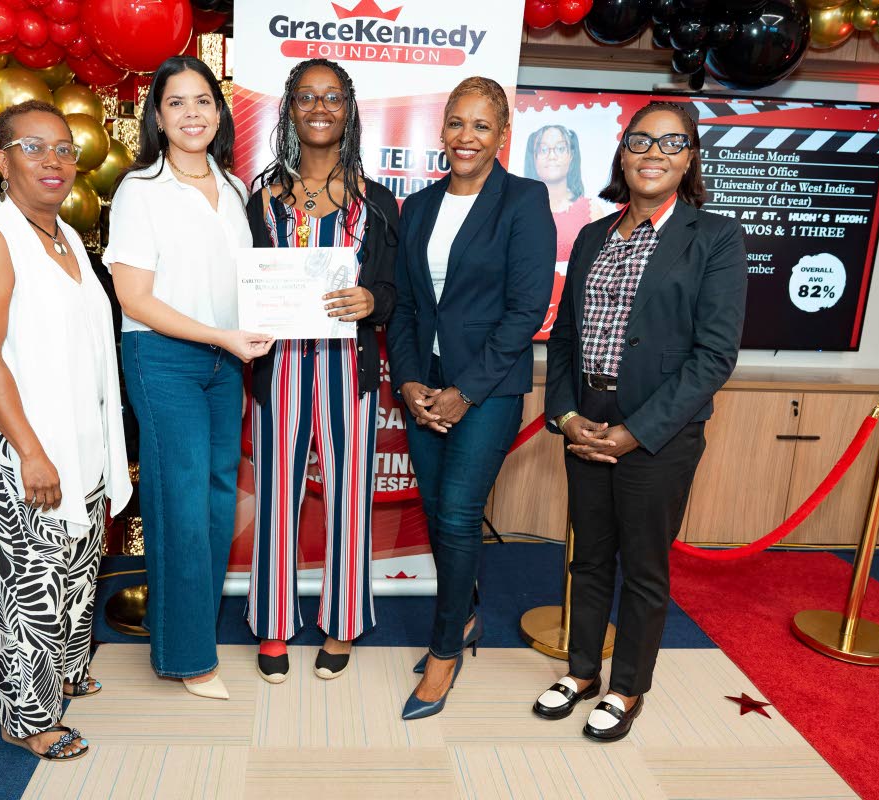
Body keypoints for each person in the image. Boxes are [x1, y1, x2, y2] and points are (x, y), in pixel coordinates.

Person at [534, 101, 747, 742]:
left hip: (657, 434)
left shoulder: (714, 238)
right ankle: (581, 673)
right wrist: (565, 415)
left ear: (689, 160)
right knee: (589, 559)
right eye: (640, 140)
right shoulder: (594, 235)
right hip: (586, 422)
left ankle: (627, 686)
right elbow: (566, 339)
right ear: (621, 153)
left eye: (671, 143)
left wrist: (636, 432)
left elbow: (714, 355)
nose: (653, 153)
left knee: (644, 569)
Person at [0, 99, 132, 761]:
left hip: (73, 434)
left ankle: (64, 671)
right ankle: (23, 718)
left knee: (77, 565)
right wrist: (30, 450)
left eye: (64, 149)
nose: (53, 161)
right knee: (25, 578)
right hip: (13, 441)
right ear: (3, 160)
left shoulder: (66, 237)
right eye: (34, 147)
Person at [104, 56, 273, 700]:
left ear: (220, 111)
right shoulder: (140, 189)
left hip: (226, 361)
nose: (193, 113)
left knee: (217, 497)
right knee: (179, 504)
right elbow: (135, 300)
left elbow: (238, 284)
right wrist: (223, 336)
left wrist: (257, 322)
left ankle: (192, 630)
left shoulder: (233, 188)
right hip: (163, 358)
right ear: (157, 116)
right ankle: (186, 657)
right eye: (177, 103)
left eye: (203, 100)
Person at [387, 77, 556, 719]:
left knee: (458, 514)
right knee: (437, 514)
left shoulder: (523, 200)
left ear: (502, 135)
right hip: (424, 389)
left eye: (481, 126)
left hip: (486, 390)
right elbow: (402, 307)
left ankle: (443, 654)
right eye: (457, 123)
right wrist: (407, 381)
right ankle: (460, 622)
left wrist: (465, 391)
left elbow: (526, 312)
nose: (466, 136)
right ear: (441, 130)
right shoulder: (419, 206)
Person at [245, 58, 399, 683]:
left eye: (331, 96)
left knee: (348, 500)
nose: (319, 107)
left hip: (347, 367)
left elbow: (395, 289)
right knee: (276, 499)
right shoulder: (261, 198)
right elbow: (244, 281)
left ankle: (341, 623)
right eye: (306, 96)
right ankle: (275, 624)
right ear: (289, 109)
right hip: (279, 368)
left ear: (349, 109)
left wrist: (373, 302)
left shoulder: (379, 202)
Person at [524, 124, 606, 263]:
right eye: (543, 149)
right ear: (534, 157)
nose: (552, 156)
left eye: (560, 148)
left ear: (571, 155)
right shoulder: (518, 209)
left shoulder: (592, 212)